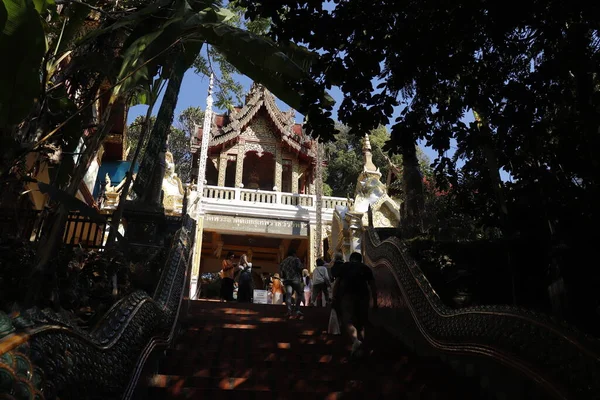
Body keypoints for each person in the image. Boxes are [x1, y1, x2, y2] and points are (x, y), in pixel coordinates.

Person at [336, 252, 377, 359]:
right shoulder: (365, 268)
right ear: (360, 259)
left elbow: (337, 282)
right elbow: (372, 285)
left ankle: (355, 341)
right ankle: (362, 346)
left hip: (347, 295)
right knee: (362, 321)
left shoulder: (345, 266)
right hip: (363, 296)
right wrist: (375, 300)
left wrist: (335, 298)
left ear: (350, 259)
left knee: (348, 320)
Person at [279, 248, 304, 318]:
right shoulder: (296, 259)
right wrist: (301, 277)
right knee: (300, 293)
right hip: (295, 279)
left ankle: (289, 310)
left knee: (288, 295)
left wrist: (284, 278)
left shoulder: (284, 261)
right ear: (294, 254)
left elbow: (281, 272)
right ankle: (297, 309)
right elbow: (300, 268)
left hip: (287, 280)